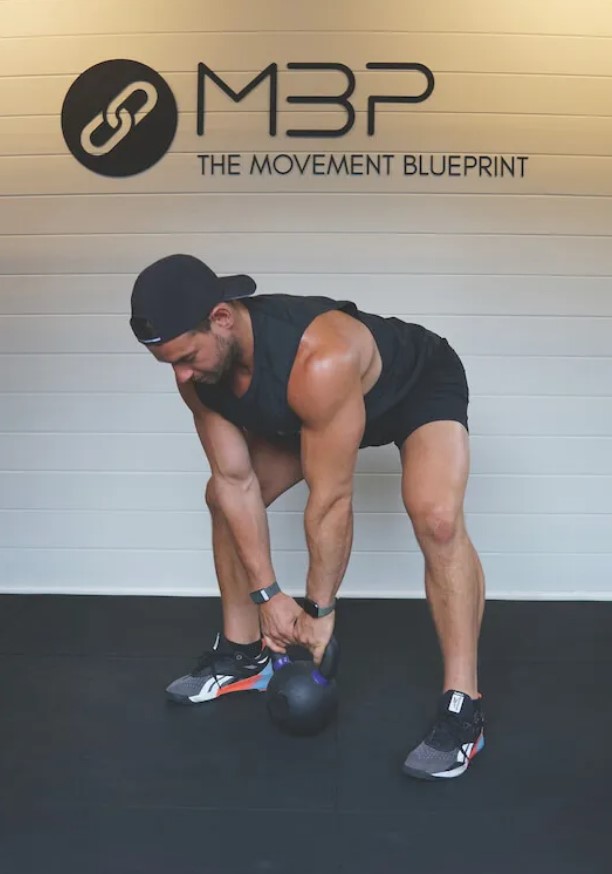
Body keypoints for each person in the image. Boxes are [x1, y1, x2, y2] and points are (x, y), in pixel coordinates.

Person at [130, 253, 486, 781]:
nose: (182, 375)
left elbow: (331, 499)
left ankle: (464, 705)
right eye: (171, 364)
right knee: (218, 499)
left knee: (436, 518)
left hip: (412, 389)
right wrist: (268, 596)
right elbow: (235, 482)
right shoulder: (198, 374)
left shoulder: (319, 357)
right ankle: (242, 654)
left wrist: (317, 611)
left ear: (221, 319)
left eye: (187, 357)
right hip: (313, 415)